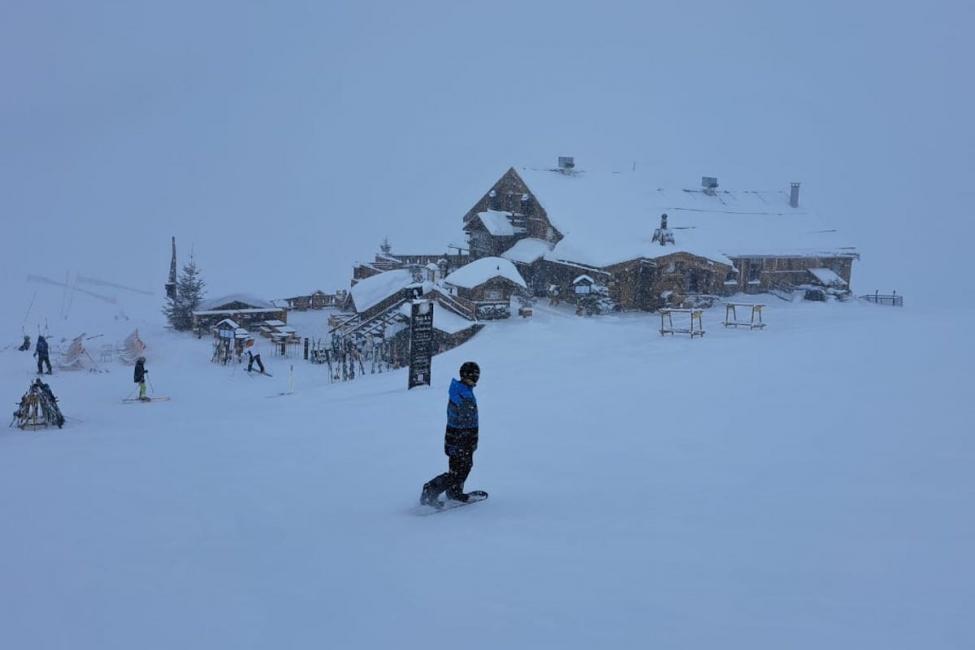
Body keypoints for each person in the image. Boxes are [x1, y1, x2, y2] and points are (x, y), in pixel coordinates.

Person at [421, 361, 481, 507]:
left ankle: (454, 491)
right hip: (462, 439)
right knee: (458, 471)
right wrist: (470, 440)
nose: (476, 379)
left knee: (459, 468)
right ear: (467, 376)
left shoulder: (460, 389)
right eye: (474, 376)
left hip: (455, 437)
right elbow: (467, 421)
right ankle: (431, 490)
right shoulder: (464, 394)